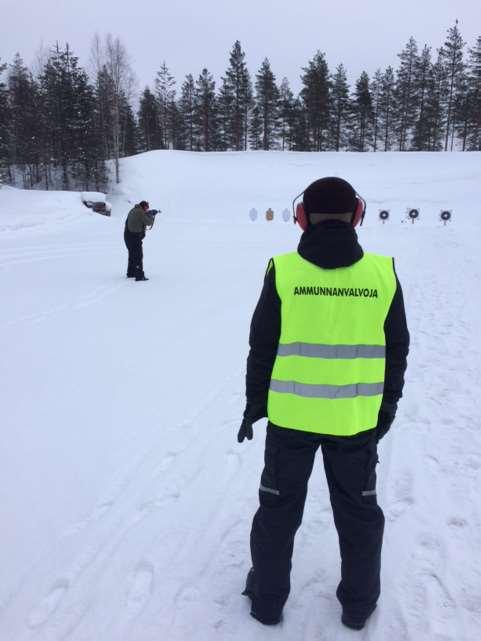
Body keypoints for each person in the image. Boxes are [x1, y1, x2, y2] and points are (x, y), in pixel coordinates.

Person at [238, 177, 409, 630]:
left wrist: (255, 405)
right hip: (355, 422)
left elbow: (262, 346)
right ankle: (358, 607)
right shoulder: (383, 273)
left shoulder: (283, 270)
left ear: (301, 217)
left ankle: (267, 602)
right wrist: (386, 406)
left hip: (291, 420)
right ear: (357, 215)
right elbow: (397, 350)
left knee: (277, 512)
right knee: (358, 516)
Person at [124, 201, 159, 281]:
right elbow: (148, 222)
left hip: (127, 235)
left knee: (132, 254)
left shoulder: (134, 210)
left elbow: (139, 218)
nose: (147, 209)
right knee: (138, 256)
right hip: (134, 236)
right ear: (144, 207)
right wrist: (151, 215)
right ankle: (139, 276)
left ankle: (131, 273)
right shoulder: (140, 212)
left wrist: (147, 213)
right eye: (147, 208)